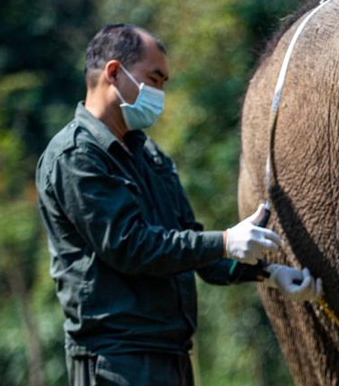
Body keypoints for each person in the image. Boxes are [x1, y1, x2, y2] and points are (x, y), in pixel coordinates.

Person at [36, 23, 321, 385]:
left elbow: (190, 246)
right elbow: (130, 247)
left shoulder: (150, 157)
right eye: (154, 79)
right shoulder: (76, 156)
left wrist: (268, 273)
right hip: (115, 360)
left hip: (170, 354)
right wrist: (224, 242)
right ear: (113, 72)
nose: (159, 93)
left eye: (164, 83)